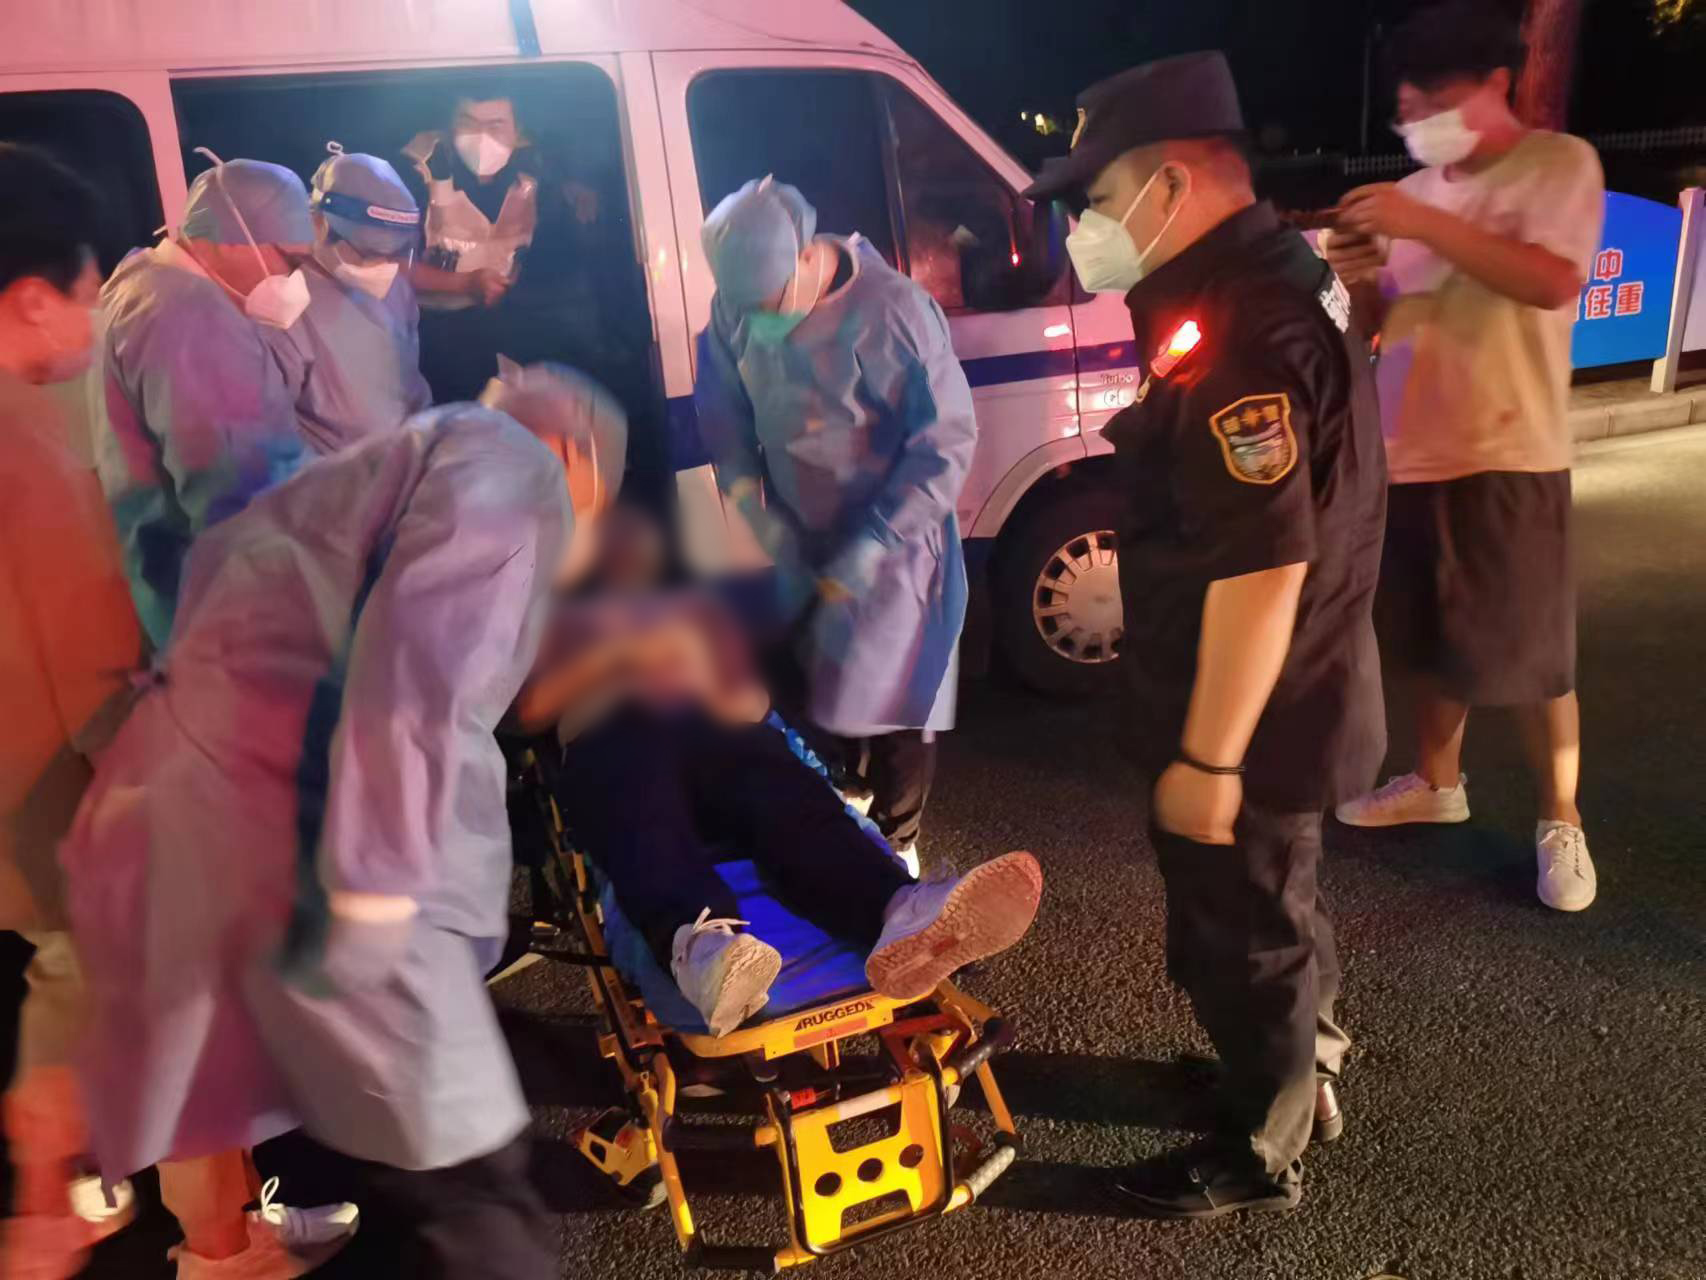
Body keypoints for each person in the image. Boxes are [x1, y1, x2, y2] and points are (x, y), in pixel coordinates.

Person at [59, 362, 622, 1280]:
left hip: (233, 814)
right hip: (327, 846)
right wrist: (375, 895)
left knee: (394, 1158)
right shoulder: (513, 470)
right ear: (575, 451)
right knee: (463, 1179)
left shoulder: (395, 463)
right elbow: (417, 688)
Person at [1025, 51, 1387, 1217]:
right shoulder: (1276, 275)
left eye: (1096, 196)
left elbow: (1261, 561)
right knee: (1277, 901)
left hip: (1257, 706)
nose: (1084, 225)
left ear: (1171, 184)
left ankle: (1257, 1144)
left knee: (1246, 926)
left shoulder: (1243, 326)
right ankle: (1292, 1060)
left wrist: (1208, 756)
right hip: (1295, 678)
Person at [0, 145, 353, 1280]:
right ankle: (207, 1240)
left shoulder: (66, 381)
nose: (92, 322)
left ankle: (128, 1207)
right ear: (31, 297)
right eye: (80, 294)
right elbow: (100, 627)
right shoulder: (72, 402)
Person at [510, 518, 1043, 1037]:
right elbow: (530, 711)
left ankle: (897, 910)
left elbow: (755, 702)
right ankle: (705, 949)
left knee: (784, 795)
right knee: (640, 809)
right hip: (610, 734)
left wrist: (707, 677)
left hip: (708, 727)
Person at [1323, 2, 1603, 914]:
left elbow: (1550, 279)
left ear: (1498, 83)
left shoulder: (1558, 164)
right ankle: (1436, 783)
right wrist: (1359, 277)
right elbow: (1378, 326)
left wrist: (1421, 222)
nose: (1420, 123)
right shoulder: (1414, 195)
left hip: (1511, 449)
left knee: (1535, 653)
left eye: (1436, 101)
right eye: (1409, 109)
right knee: (1432, 639)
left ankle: (1561, 816)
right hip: (1412, 452)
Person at [694, 177, 978, 875]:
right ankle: (843, 815)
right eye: (744, 308)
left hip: (894, 539)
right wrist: (751, 503)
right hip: (803, 530)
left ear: (805, 257)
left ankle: (900, 845)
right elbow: (724, 412)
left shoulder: (894, 312)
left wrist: (876, 540)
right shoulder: (737, 307)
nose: (758, 321)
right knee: (814, 685)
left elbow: (943, 444)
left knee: (897, 702)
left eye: (768, 304)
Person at [92, 151, 314, 650]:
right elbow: (236, 487)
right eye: (293, 261)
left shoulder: (140, 280)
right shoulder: (191, 314)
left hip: (170, 587)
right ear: (233, 238)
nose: (296, 282)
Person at [403, 92, 603, 403]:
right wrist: (464, 284)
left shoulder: (538, 169)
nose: (481, 137)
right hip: (428, 330)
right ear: (449, 126)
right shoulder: (415, 173)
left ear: (517, 132)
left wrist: (574, 191)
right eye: (468, 123)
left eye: (495, 125)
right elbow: (383, 266)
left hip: (507, 320)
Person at [267, 143, 431, 454]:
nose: (381, 267)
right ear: (317, 223)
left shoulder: (395, 291)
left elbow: (409, 385)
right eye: (368, 253)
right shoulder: (286, 307)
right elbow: (273, 434)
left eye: (393, 253)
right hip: (335, 476)